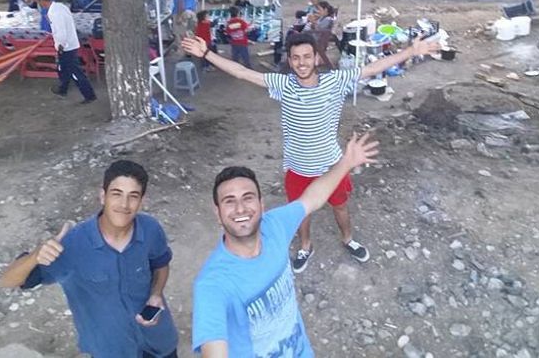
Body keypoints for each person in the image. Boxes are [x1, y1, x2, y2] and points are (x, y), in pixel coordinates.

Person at [181, 31, 440, 272]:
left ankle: (348, 239)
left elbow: (372, 69)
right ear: (290, 61)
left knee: (340, 207)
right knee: (300, 213)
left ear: (316, 58)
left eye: (307, 56)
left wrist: (411, 51)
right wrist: (207, 53)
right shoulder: (283, 84)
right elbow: (241, 72)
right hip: (298, 168)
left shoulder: (335, 81)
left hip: (332, 166)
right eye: (295, 58)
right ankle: (306, 246)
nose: (301, 63)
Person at [192, 133, 380, 357]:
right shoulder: (212, 284)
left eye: (248, 197)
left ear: (261, 205)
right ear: (217, 213)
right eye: (229, 201)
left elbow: (312, 198)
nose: (240, 208)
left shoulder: (274, 225)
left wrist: (346, 162)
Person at [0, 160, 179, 358]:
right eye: (116, 194)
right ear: (102, 196)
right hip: (112, 352)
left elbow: (161, 264)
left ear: (141, 201)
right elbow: (6, 280)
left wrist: (156, 294)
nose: (124, 204)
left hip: (159, 343)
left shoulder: (151, 229)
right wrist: (35, 256)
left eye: (133, 196)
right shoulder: (71, 245)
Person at [36, 0, 96, 104]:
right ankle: (63, 89)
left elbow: (61, 31)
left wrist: (60, 46)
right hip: (70, 42)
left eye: (38, 2)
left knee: (75, 72)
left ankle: (89, 95)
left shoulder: (54, 13)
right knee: (63, 68)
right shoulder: (61, 7)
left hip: (66, 46)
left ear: (41, 1)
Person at [305, 1, 337, 68]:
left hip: (317, 40)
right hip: (317, 37)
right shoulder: (323, 18)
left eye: (319, 9)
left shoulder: (327, 19)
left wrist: (313, 22)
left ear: (325, 10)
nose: (318, 11)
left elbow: (318, 29)